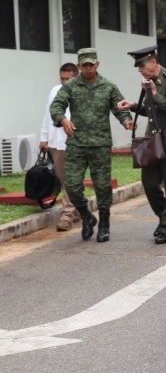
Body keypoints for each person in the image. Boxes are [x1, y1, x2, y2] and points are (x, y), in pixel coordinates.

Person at [50, 48, 135, 243]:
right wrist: (63, 120)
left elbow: (120, 108)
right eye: (84, 65)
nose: (88, 68)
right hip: (76, 144)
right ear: (79, 66)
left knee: (103, 186)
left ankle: (104, 224)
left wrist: (126, 121)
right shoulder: (70, 86)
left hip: (100, 144)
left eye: (91, 64)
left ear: (97, 64)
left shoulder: (108, 86)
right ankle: (87, 216)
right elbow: (56, 106)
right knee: (70, 185)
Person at [117, 46, 166, 244]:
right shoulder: (150, 82)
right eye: (138, 66)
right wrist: (134, 105)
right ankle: (165, 218)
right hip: (151, 143)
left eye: (142, 65)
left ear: (153, 62)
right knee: (149, 183)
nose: (139, 69)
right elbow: (152, 111)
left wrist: (154, 94)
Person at [39, 63, 79, 231]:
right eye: (62, 78)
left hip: (76, 142)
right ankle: (77, 209)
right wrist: (43, 137)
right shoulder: (55, 91)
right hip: (56, 142)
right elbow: (48, 115)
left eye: (68, 79)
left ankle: (67, 215)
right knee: (62, 178)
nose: (65, 81)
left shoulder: (83, 91)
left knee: (70, 178)